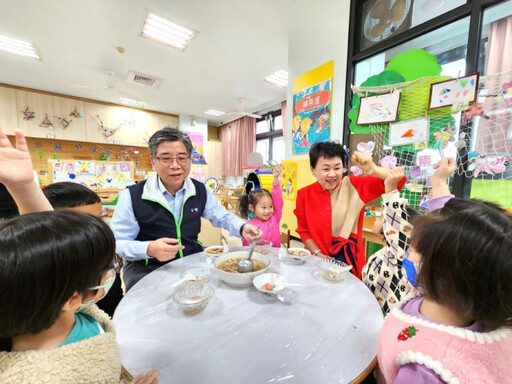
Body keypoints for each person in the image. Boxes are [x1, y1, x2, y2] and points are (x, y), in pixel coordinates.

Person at [0, 128, 159, 383]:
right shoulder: (37, 376)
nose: (113, 269)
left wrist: (25, 187)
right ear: (73, 297)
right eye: (109, 265)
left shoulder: (61, 307)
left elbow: (55, 246)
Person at [377, 159, 512, 383]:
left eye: (414, 248)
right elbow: (448, 221)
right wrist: (438, 181)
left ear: (444, 271)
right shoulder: (471, 292)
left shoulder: (424, 370)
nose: (407, 254)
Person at [111, 128, 261, 291]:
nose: (175, 166)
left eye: (182, 158)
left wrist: (242, 227)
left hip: (191, 260)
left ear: (190, 159)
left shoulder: (200, 190)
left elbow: (222, 216)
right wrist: (148, 249)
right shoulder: (132, 196)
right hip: (146, 268)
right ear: (153, 161)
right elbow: (116, 243)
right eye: (166, 159)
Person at [294, 141, 406, 278]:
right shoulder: (304, 194)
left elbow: (399, 181)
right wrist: (318, 253)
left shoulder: (354, 186)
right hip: (316, 260)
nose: (332, 174)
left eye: (337, 168)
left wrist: (372, 168)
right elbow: (303, 230)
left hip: (348, 262)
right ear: (313, 169)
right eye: (325, 169)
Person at [43, 182, 124, 318]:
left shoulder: (103, 256)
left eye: (98, 219)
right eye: (84, 223)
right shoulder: (45, 267)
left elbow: (113, 303)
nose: (96, 228)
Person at [239, 164, 283, 247]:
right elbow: (246, 246)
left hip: (275, 258)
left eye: (271, 206)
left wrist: (276, 178)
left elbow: (278, 199)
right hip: (257, 258)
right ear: (252, 207)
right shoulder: (249, 225)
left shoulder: (275, 218)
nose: (268, 210)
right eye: (263, 207)